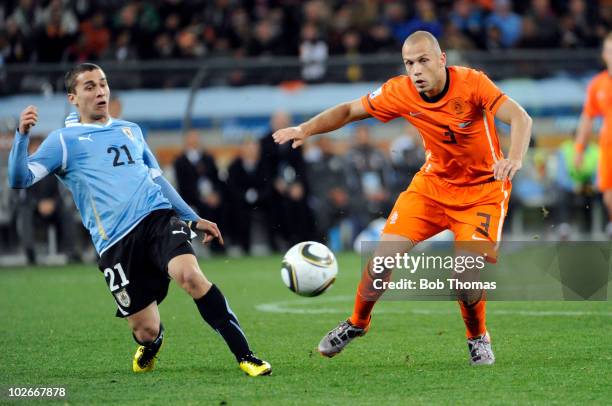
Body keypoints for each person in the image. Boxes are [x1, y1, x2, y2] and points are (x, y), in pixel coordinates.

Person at [273, 31, 532, 365]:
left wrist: (515, 158)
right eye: (409, 63)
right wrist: (306, 129)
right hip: (432, 187)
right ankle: (356, 323)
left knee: (464, 276)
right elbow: (351, 111)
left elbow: (520, 117)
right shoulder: (401, 91)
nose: (416, 70)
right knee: (381, 261)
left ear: (442, 60)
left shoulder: (472, 83)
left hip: (483, 191)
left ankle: (477, 336)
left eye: (423, 60)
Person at [7, 63, 271, 376]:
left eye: (102, 83)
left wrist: (192, 218)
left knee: (191, 277)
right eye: (89, 86)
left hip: (157, 217)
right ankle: (151, 343)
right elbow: (20, 178)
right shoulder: (63, 141)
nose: (100, 91)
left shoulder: (131, 130)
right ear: (73, 98)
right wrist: (22, 136)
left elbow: (157, 180)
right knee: (145, 329)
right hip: (115, 243)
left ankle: (246, 356)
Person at [575, 32, 612, 237]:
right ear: (604, 54)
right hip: (608, 144)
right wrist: (580, 148)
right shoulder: (597, 84)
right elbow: (587, 117)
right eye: (609, 51)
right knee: (607, 192)